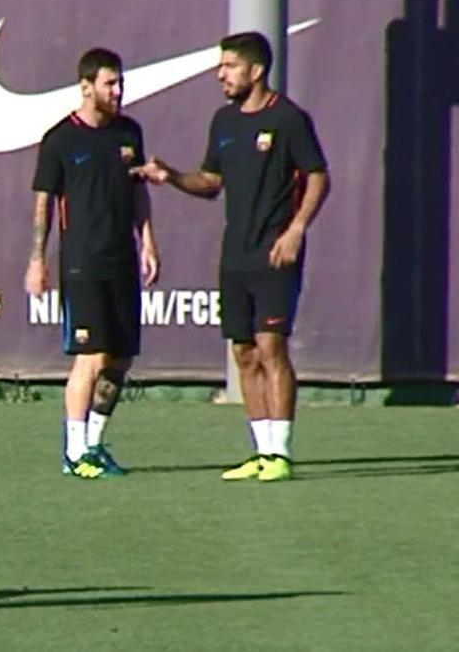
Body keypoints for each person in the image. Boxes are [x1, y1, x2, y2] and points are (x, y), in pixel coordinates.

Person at [134, 31, 329, 482]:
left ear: (255, 70)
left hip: (276, 253)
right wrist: (173, 176)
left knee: (270, 346)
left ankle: (280, 453)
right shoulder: (223, 121)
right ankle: (261, 453)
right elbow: (210, 182)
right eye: (220, 67)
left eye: (229, 67)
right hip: (235, 255)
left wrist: (296, 229)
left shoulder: (288, 119)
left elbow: (318, 177)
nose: (220, 75)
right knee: (243, 351)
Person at [26, 48, 160, 480]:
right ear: (86, 88)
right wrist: (37, 260)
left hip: (122, 261)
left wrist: (148, 243)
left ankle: (95, 446)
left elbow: (139, 191)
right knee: (91, 357)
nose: (118, 91)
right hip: (83, 264)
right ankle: (73, 452)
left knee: (120, 361)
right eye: (109, 84)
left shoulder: (129, 133)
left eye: (120, 83)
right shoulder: (61, 139)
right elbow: (43, 204)